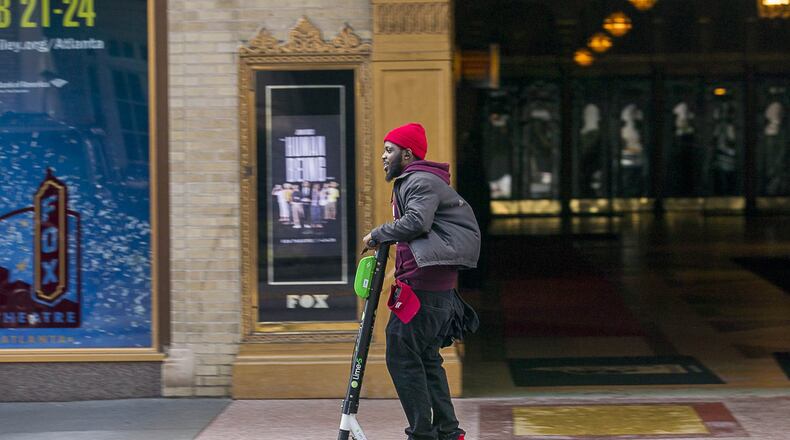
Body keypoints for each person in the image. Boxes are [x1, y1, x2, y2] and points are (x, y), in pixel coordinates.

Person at [363, 122, 480, 440]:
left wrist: (377, 234)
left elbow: (417, 222)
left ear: (407, 153)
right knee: (426, 358)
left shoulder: (420, 180)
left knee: (400, 354)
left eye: (389, 150)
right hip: (429, 288)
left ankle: (422, 434)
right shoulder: (419, 180)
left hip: (424, 289)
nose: (383, 156)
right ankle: (448, 432)